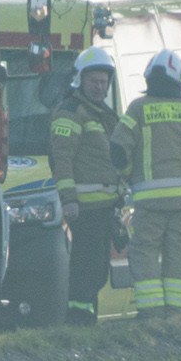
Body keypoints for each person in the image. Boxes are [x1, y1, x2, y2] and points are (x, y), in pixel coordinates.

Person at [111, 50, 181, 317]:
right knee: (178, 256)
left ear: (149, 77)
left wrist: (128, 173)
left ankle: (151, 316)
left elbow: (118, 148)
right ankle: (175, 315)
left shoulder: (138, 109)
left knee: (145, 253)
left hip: (149, 202)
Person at [50, 46, 122, 325]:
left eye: (104, 82)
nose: (100, 87)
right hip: (85, 209)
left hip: (105, 207)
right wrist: (69, 199)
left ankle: (87, 317)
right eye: (94, 81)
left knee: (98, 270)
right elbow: (62, 158)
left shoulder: (103, 114)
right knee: (85, 268)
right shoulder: (71, 112)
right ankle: (78, 321)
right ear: (80, 80)